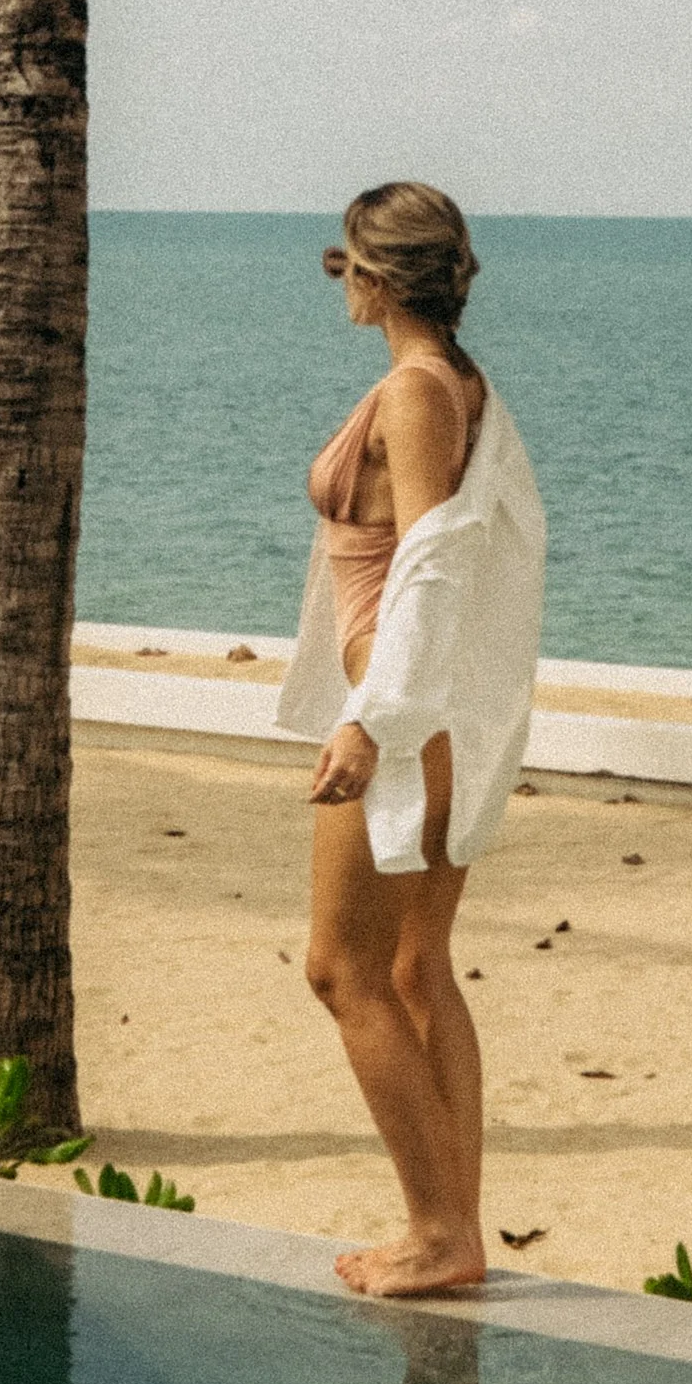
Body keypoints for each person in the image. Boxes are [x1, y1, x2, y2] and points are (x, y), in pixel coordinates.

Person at [277, 183, 547, 1296]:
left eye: (344, 266)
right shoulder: (459, 384)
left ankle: (439, 1231)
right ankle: (454, 1231)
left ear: (379, 278)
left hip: (402, 715)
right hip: (426, 711)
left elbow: (429, 568)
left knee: (341, 970)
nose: (338, 284)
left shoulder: (414, 392)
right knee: (414, 964)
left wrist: (367, 722)